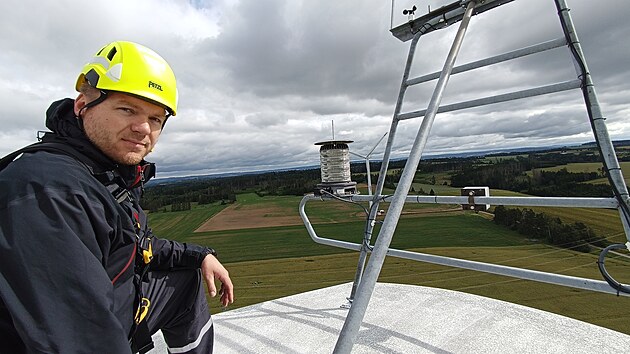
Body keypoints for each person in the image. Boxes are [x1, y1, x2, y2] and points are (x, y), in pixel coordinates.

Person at [0, 41, 234, 353]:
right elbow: (81, 339)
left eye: (155, 119)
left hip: (118, 306)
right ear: (82, 105)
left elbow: (131, 243)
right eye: (127, 109)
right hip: (69, 334)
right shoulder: (49, 191)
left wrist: (199, 254)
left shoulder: (103, 174)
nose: (142, 128)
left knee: (185, 280)